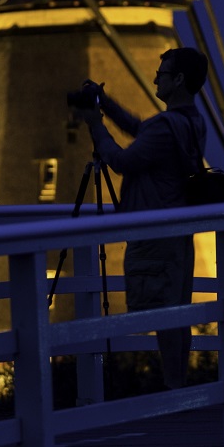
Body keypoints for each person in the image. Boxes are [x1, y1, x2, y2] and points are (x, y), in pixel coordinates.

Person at [78, 47, 211, 390]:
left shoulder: (166, 127)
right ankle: (178, 384)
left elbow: (121, 162)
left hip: (155, 234)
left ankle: (173, 389)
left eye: (162, 73)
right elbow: (141, 129)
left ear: (178, 79)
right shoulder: (191, 122)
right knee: (177, 313)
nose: (155, 77)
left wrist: (95, 126)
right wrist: (106, 104)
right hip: (179, 232)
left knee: (163, 315)